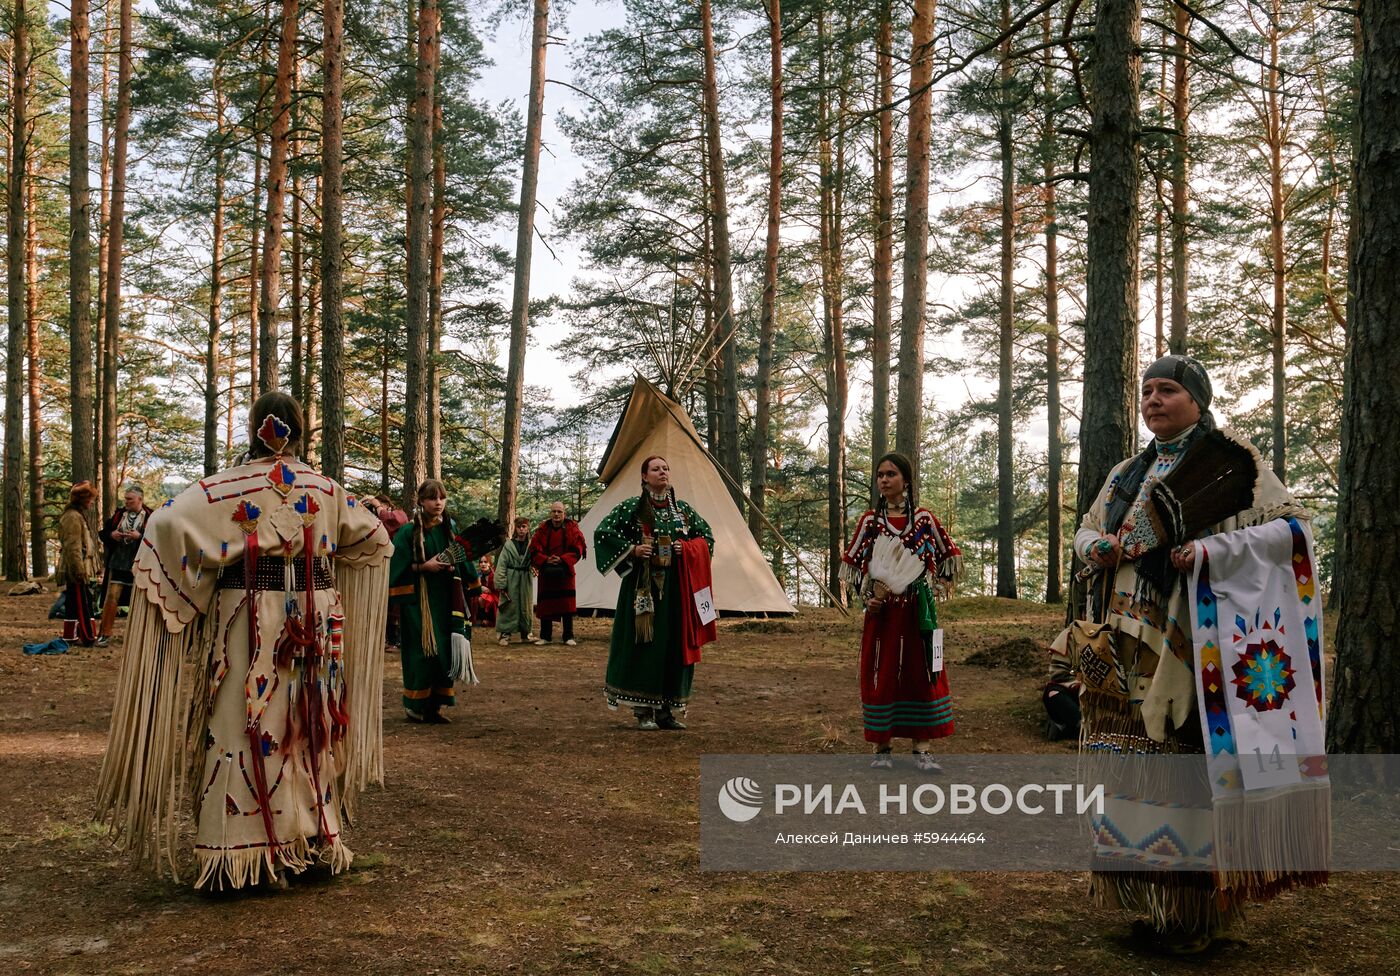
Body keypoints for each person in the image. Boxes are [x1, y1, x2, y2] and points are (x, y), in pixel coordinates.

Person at [1071, 354, 1326, 954]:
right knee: (1133, 771)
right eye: (1147, 391)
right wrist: (1097, 547)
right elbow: (1085, 527)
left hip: (1195, 649)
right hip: (1125, 644)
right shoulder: (1127, 472)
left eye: (1167, 391)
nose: (1153, 400)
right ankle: (1151, 903)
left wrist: (1210, 553)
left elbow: (1293, 533)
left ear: (1197, 399)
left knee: (1187, 773)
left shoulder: (1234, 463)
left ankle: (1196, 917)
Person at [95, 392, 392, 890]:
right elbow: (373, 537)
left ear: (255, 429)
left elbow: (166, 523)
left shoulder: (225, 488)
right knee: (305, 725)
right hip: (312, 622)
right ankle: (311, 842)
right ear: (298, 431)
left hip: (251, 617)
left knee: (244, 720)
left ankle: (240, 855)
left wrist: (214, 563)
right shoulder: (326, 488)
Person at [839, 452, 961, 771]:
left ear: (905, 480)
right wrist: (868, 598)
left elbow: (949, 555)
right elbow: (852, 563)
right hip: (883, 614)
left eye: (891, 474)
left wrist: (933, 589)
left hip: (917, 611)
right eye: (880, 474)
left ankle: (922, 748)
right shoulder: (871, 522)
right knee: (882, 671)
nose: (884, 479)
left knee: (922, 673)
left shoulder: (924, 520)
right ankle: (882, 748)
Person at [594, 455, 714, 730]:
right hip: (643, 588)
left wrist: (688, 548)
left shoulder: (683, 512)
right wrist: (633, 550)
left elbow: (707, 538)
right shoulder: (631, 509)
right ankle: (643, 709)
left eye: (666, 468)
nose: (663, 472)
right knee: (645, 644)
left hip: (677, 591)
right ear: (644, 477)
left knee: (673, 644)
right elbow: (603, 534)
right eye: (656, 469)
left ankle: (666, 711)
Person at [389, 480, 478, 724]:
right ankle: (415, 705)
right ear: (420, 501)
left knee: (445, 652)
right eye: (431, 498)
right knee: (423, 652)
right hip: (419, 602)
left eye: (441, 498)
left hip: (446, 601)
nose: (438, 503)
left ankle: (436, 706)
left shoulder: (449, 529)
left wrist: (458, 570)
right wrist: (423, 566)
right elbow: (395, 567)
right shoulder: (408, 532)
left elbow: (464, 558)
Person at [97, 484, 153, 645]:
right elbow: (104, 534)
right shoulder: (118, 515)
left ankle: (139, 636)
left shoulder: (151, 517)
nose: (126, 502)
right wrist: (112, 534)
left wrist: (140, 536)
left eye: (130, 499)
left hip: (140, 564)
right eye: (125, 499)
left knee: (140, 600)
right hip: (118, 563)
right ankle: (105, 633)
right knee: (111, 597)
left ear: (140, 499)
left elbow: (158, 540)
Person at [529, 501, 587, 646]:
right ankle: (545, 636)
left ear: (564, 514)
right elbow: (535, 550)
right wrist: (546, 559)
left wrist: (561, 559)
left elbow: (578, 549)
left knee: (566, 605)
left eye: (559, 512)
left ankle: (568, 636)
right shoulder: (542, 529)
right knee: (546, 604)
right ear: (550, 513)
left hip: (565, 571)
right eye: (554, 511)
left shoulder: (572, 529)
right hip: (546, 571)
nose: (556, 514)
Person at [57, 481, 102, 648]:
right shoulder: (72, 517)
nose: (92, 502)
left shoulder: (76, 515)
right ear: (82, 499)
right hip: (76, 568)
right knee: (82, 601)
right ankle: (88, 637)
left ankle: (71, 636)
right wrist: (79, 570)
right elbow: (73, 546)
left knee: (75, 602)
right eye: (90, 499)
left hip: (79, 566)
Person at [495, 517, 534, 645]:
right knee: (508, 605)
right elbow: (501, 564)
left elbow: (537, 559)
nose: (521, 529)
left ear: (528, 528)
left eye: (524, 527)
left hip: (525, 578)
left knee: (525, 606)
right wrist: (501, 582)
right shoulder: (509, 545)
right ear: (515, 529)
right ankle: (505, 634)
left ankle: (526, 633)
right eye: (519, 527)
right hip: (511, 578)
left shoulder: (531, 544)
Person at [473, 554, 499, 628]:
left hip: (495, 595)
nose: (483, 564)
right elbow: (474, 586)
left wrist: (489, 589)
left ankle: (486, 619)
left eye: (485, 562)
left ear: (490, 563)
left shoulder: (494, 573)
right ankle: (479, 619)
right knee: (476, 598)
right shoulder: (478, 574)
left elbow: (497, 588)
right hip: (483, 595)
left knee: (482, 598)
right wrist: (480, 587)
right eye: (481, 562)